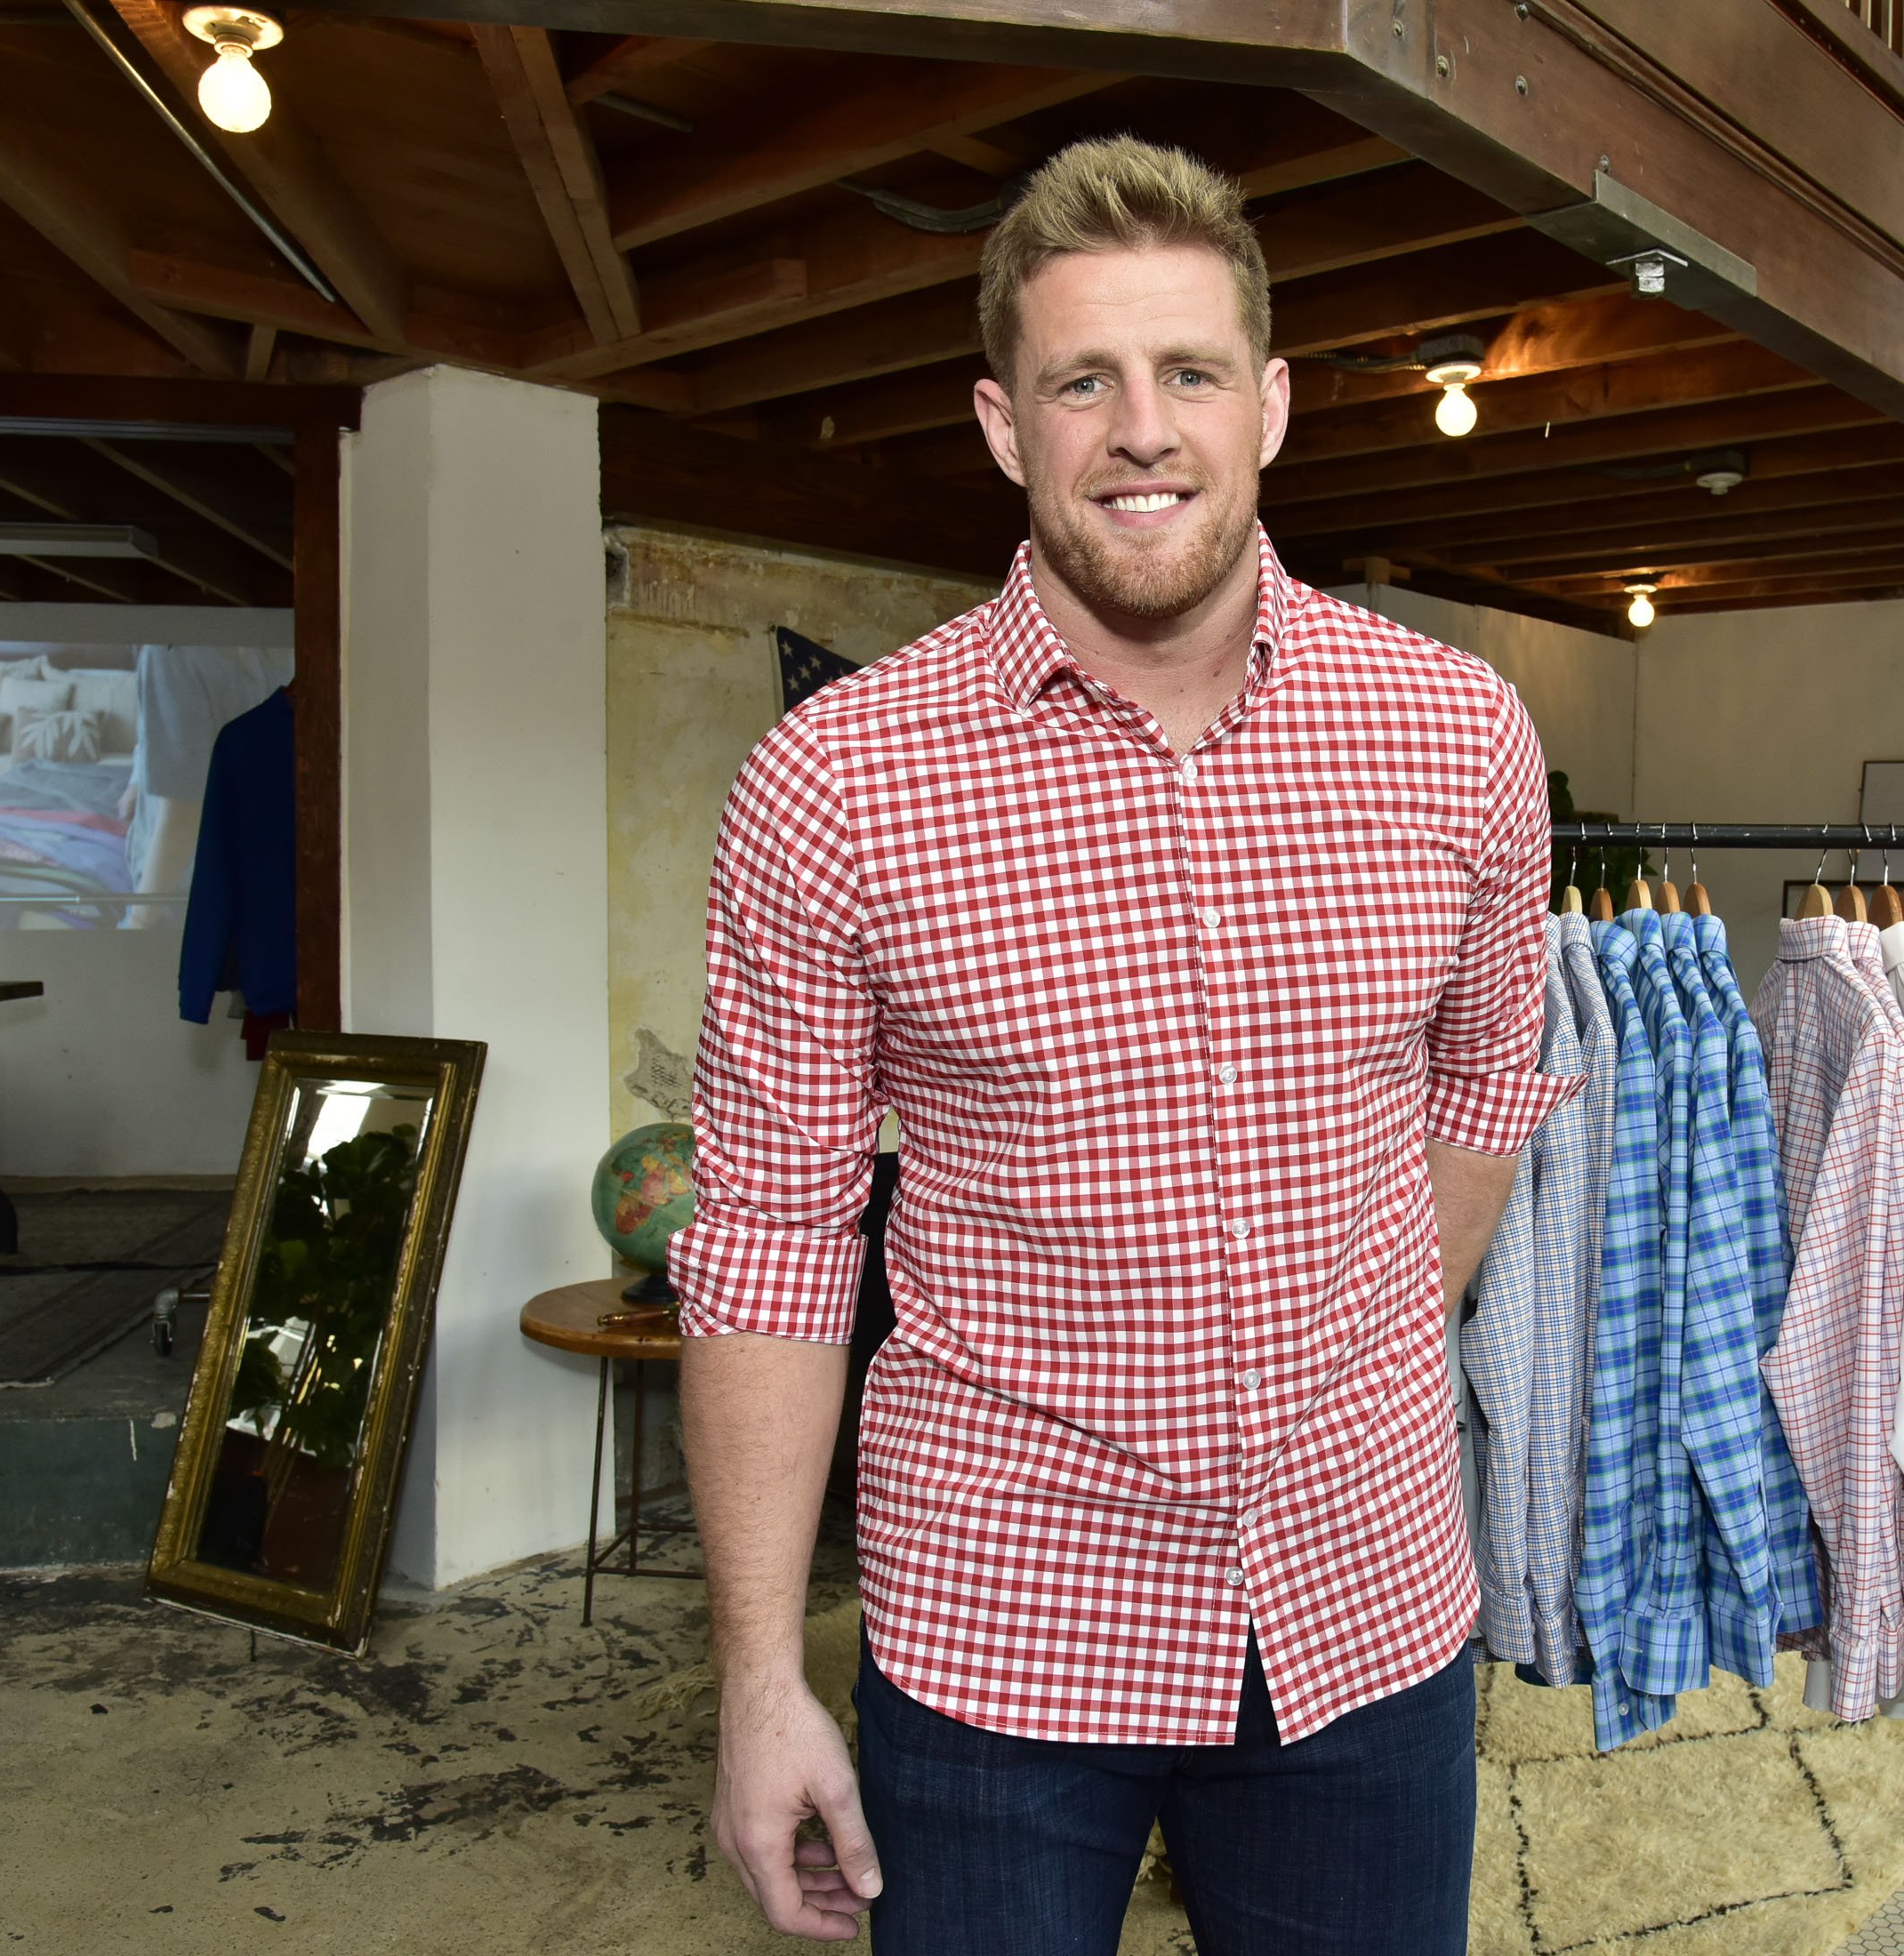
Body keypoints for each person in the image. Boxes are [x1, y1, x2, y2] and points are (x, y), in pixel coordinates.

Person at [671, 135, 1572, 1954]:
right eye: (1085, 379)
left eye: (1189, 373)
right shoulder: (839, 781)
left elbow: (1487, 1077)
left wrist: (1358, 1329)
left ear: (1275, 406)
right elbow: (768, 1232)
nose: (1141, 428)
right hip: (1002, 1620)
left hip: (1366, 1597)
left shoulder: (1458, 732)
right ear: (1009, 425)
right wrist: (759, 1679)